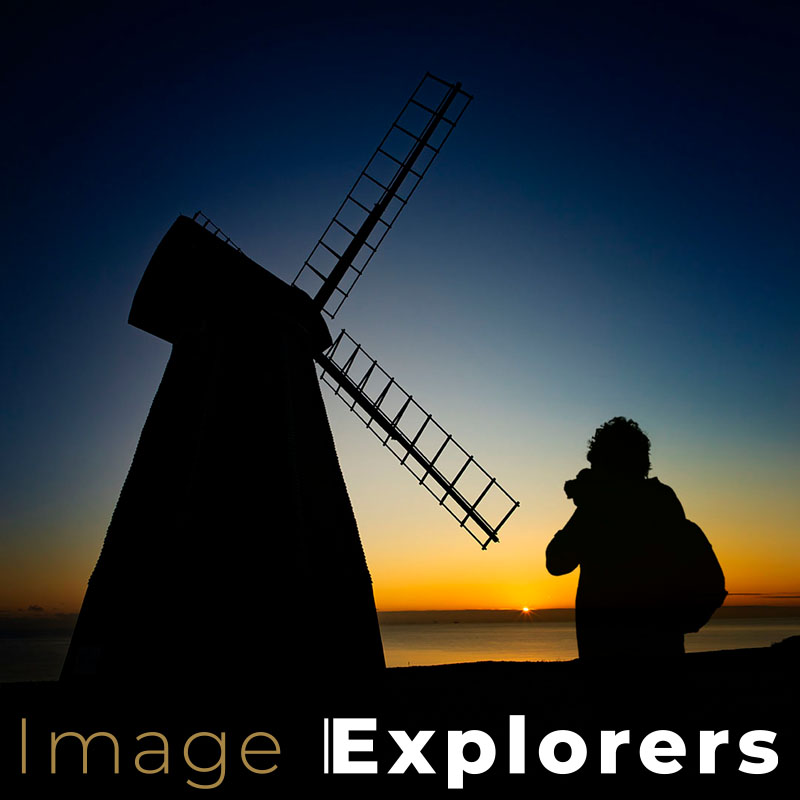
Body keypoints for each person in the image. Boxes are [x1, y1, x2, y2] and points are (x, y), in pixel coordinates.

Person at [546, 417, 689, 660]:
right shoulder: (664, 499)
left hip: (606, 652)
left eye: (595, 460)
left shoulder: (599, 505)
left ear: (606, 462)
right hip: (663, 649)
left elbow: (557, 562)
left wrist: (588, 502)